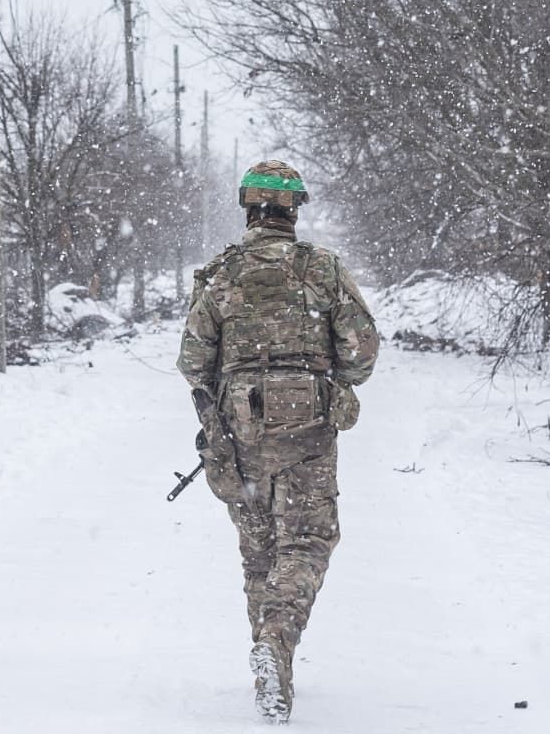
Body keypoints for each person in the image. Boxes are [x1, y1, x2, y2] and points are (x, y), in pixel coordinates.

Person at [177, 160, 379, 724]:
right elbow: (362, 353)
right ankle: (276, 644)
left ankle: (270, 665)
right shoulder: (322, 269)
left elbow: (193, 362)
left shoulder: (221, 274)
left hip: (241, 432)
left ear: (249, 208)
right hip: (310, 429)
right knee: (308, 542)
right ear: (293, 210)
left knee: (259, 550)